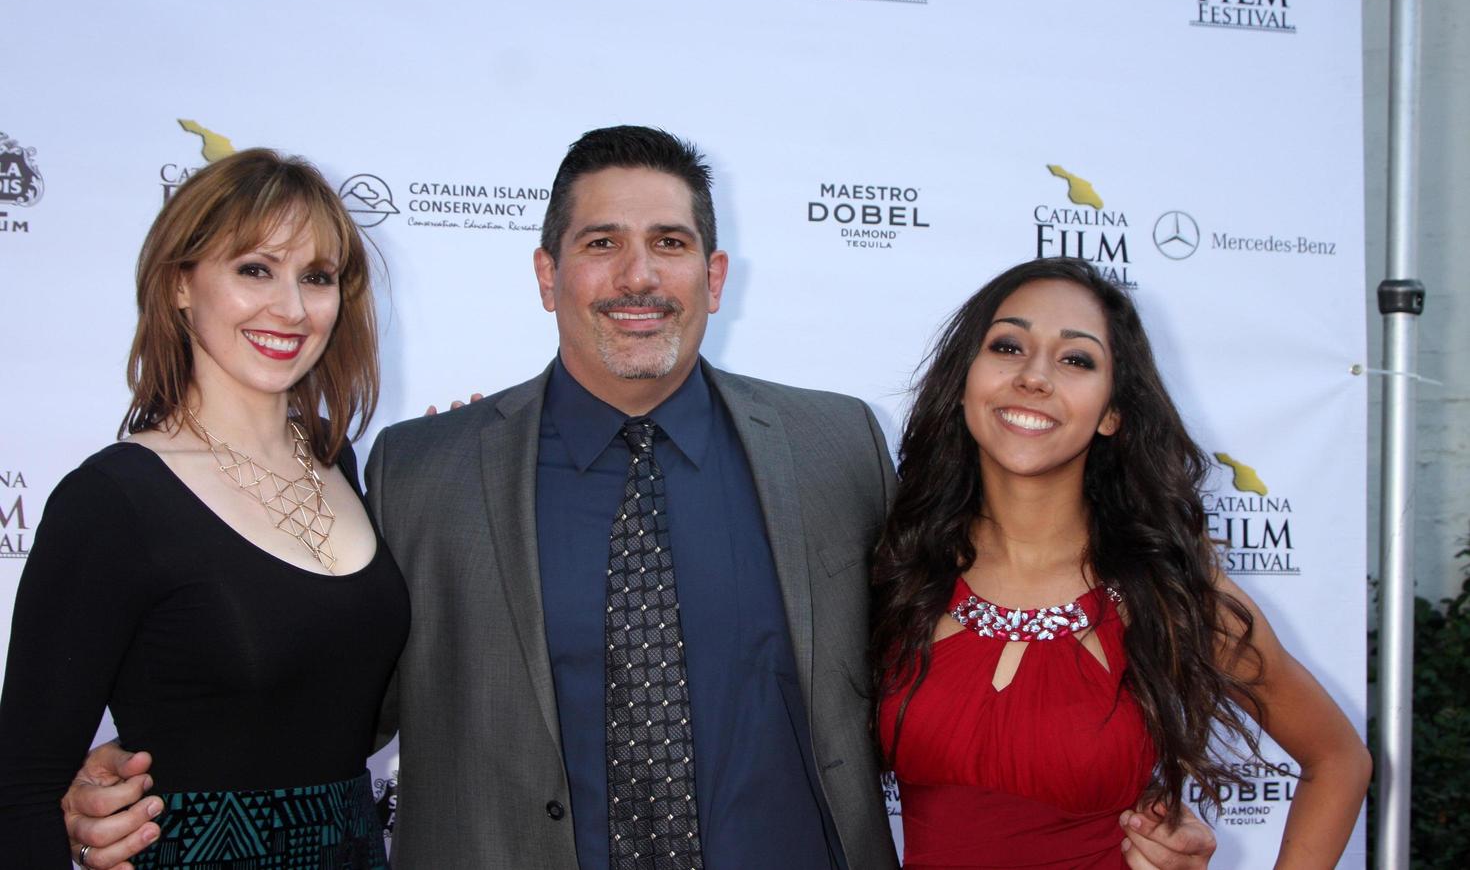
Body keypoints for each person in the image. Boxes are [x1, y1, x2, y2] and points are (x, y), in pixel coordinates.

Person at [60, 128, 1217, 869]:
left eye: (670, 242)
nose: (637, 273)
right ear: (547, 273)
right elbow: (324, 699)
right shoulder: (421, 469)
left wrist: (1108, 813)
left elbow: (972, 629)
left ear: (714, 277)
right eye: (601, 241)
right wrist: (114, 776)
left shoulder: (834, 448)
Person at [871, 257, 1373, 869]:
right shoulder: (897, 568)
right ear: (965, 382)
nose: (1034, 376)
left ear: (1113, 411)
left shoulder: (1168, 591)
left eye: (1076, 360)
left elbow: (1338, 759)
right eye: (1008, 346)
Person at [0, 149, 410, 869]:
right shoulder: (116, 500)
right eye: (255, 269)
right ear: (181, 284)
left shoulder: (340, 465)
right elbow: (23, 792)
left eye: (315, 277)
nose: (290, 307)